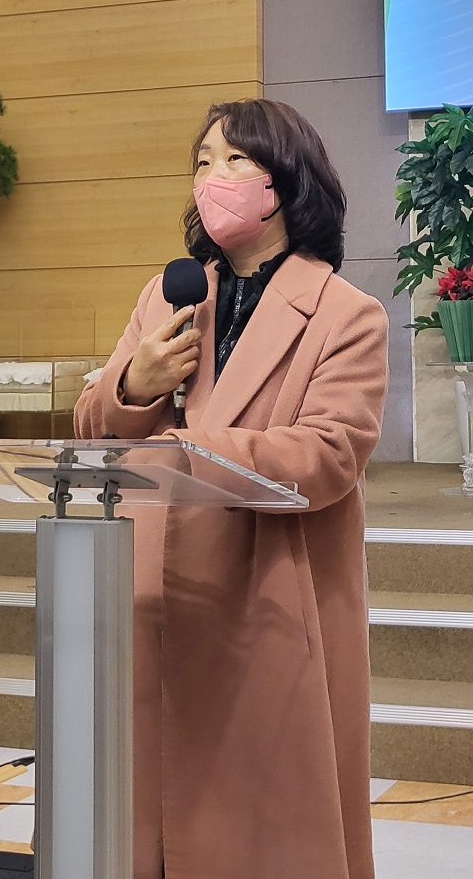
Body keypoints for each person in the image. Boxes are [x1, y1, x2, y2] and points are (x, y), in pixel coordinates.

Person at [74, 98, 389, 879]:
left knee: (259, 827)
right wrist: (135, 383)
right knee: (148, 817)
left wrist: (189, 448)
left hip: (269, 592)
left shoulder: (345, 313)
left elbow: (329, 452)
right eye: (203, 161)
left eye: (236, 159)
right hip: (153, 589)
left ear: (283, 181)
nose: (213, 175)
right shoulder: (170, 294)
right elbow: (93, 425)